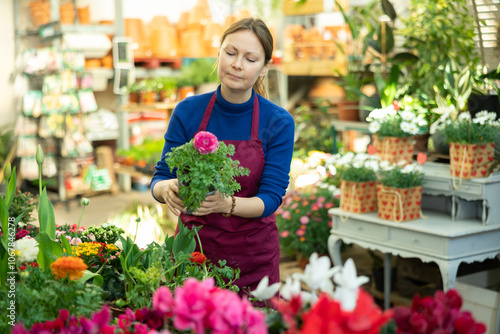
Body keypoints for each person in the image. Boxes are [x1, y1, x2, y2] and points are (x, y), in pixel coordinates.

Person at [151, 17, 295, 297]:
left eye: (250, 59)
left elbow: (270, 199)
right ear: (219, 53)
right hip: (194, 253)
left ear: (264, 68)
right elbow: (161, 176)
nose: (237, 64)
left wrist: (225, 204)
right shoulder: (188, 110)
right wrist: (166, 189)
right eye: (230, 53)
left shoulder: (278, 121)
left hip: (254, 257)